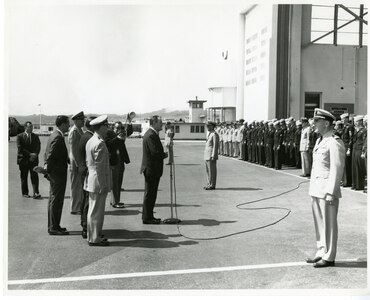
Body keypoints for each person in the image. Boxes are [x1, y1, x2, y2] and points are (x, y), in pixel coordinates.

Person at [306, 108, 345, 268]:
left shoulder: (334, 142)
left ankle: (329, 256)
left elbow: (337, 169)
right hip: (316, 188)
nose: (313, 124)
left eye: (317, 121)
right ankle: (321, 250)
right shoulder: (319, 140)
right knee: (319, 223)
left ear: (327, 123)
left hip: (327, 191)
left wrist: (331, 192)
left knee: (329, 224)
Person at [84, 115, 112, 246]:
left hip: (92, 180)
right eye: (106, 126)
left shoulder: (91, 140)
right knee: (97, 212)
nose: (107, 129)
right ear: (100, 127)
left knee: (92, 210)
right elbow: (100, 167)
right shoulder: (99, 143)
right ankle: (94, 238)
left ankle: (93, 235)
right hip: (98, 182)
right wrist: (103, 185)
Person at [44, 115, 70, 235]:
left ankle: (53, 225)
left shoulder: (54, 135)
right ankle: (54, 227)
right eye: (67, 123)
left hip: (55, 173)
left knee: (53, 200)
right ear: (63, 124)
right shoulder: (58, 137)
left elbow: (47, 153)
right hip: (57, 175)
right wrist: (47, 172)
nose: (69, 125)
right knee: (56, 200)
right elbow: (50, 156)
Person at [140, 116, 168, 224]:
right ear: (154, 123)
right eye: (160, 122)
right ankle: (147, 218)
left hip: (152, 169)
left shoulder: (152, 134)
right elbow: (154, 152)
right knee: (150, 194)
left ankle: (149, 216)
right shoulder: (151, 135)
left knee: (151, 194)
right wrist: (163, 155)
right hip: (151, 169)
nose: (162, 124)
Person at [106, 121, 133, 208]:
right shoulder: (109, 133)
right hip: (114, 161)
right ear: (113, 128)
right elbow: (108, 144)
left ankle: (115, 200)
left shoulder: (121, 134)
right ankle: (115, 202)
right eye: (117, 128)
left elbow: (129, 132)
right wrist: (117, 138)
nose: (119, 130)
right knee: (115, 182)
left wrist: (129, 123)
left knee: (119, 181)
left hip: (120, 160)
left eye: (121, 128)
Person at [78, 116, 96, 239]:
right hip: (87, 172)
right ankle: (85, 226)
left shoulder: (85, 136)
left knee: (85, 199)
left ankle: (85, 225)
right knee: (87, 201)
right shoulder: (89, 138)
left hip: (83, 170)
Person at [16, 121, 41, 199]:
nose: (31, 128)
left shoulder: (35, 136)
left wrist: (35, 154)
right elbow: (20, 148)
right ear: (25, 127)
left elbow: (38, 147)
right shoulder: (19, 136)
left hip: (33, 160)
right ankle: (25, 193)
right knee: (24, 177)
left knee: (34, 176)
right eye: (29, 126)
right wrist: (30, 154)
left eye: (32, 126)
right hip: (23, 160)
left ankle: (36, 193)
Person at [68, 111, 85, 215]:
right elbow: (74, 151)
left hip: (78, 163)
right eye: (82, 120)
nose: (83, 122)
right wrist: (79, 165)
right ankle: (74, 208)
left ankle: (78, 206)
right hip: (75, 163)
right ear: (77, 121)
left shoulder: (79, 130)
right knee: (75, 186)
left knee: (78, 186)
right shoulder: (74, 132)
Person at [351, 115, 366, 190]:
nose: (355, 123)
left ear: (360, 121)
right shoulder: (356, 130)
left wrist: (363, 151)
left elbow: (364, 141)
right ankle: (355, 184)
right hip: (355, 148)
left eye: (356, 121)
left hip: (360, 149)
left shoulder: (364, 130)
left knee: (359, 167)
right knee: (354, 167)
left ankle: (360, 185)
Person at [204, 121, 219, 190]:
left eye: (209, 126)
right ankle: (209, 184)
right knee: (208, 171)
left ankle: (212, 185)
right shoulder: (209, 134)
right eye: (207, 126)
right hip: (207, 155)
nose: (207, 127)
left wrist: (213, 155)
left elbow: (215, 146)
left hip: (211, 155)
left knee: (212, 171)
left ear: (212, 126)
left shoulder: (214, 134)